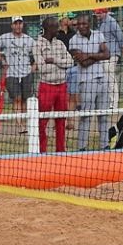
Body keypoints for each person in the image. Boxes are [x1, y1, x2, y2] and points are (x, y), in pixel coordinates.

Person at [68, 12, 110, 150]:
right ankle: (82, 148)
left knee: (103, 115)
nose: (81, 26)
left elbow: (107, 54)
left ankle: (105, 146)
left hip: (102, 79)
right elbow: (83, 63)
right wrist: (99, 55)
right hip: (86, 81)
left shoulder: (98, 35)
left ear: (89, 24)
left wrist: (90, 55)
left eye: (84, 23)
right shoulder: (73, 40)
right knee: (86, 116)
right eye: (78, 24)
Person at [33, 15, 74, 152]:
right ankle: (41, 151)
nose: (59, 28)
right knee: (42, 121)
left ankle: (61, 151)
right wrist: (60, 64)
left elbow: (70, 62)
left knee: (61, 120)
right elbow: (42, 68)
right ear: (48, 28)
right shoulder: (37, 44)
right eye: (56, 26)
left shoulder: (60, 44)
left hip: (62, 86)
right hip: (46, 86)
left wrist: (55, 60)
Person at [0, 15, 36, 131]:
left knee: (25, 99)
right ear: (12, 25)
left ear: (23, 25)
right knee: (17, 98)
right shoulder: (5, 38)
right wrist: (2, 60)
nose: (18, 25)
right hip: (11, 73)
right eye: (15, 23)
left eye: (20, 23)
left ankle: (27, 123)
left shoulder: (29, 39)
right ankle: (20, 124)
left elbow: (38, 52)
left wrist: (34, 66)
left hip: (26, 72)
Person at [95, 8, 123, 110]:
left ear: (105, 12)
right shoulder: (100, 23)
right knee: (103, 78)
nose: (97, 15)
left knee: (109, 75)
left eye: (99, 13)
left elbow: (121, 37)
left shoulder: (111, 21)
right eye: (96, 13)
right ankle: (106, 102)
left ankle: (113, 104)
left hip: (112, 53)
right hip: (103, 55)